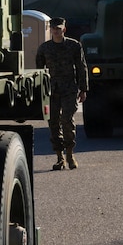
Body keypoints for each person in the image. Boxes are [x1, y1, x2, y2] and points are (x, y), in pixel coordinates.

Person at [35, 17, 88, 170]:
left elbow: (81, 67)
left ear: (64, 29)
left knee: (67, 120)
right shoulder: (44, 48)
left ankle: (70, 153)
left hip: (69, 89)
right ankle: (59, 157)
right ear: (50, 30)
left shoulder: (74, 46)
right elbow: (39, 71)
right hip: (51, 90)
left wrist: (83, 89)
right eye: (54, 28)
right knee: (53, 122)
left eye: (59, 28)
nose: (56, 31)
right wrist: (40, 92)